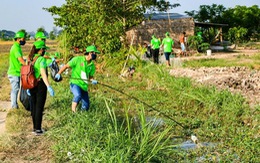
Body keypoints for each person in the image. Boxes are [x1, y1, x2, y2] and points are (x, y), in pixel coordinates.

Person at [54, 45, 99, 112]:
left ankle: (82, 116)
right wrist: (59, 73)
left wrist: (92, 80)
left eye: (96, 53)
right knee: (78, 95)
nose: (95, 55)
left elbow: (90, 76)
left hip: (84, 85)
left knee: (86, 105)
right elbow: (66, 66)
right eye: (94, 53)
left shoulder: (92, 65)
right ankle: (73, 112)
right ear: (89, 53)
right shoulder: (78, 59)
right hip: (75, 83)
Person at [27, 40, 55, 135]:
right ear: (41, 50)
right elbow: (43, 73)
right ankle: (38, 129)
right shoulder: (41, 59)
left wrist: (27, 87)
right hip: (40, 85)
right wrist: (48, 86)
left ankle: (35, 128)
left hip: (31, 84)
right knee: (39, 107)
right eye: (44, 50)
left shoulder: (30, 58)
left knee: (34, 106)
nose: (44, 51)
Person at [7, 31, 27, 109]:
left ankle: (14, 105)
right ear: (19, 39)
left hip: (16, 72)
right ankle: (14, 106)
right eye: (23, 39)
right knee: (15, 89)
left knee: (16, 89)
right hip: (14, 72)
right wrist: (28, 65)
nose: (24, 40)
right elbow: (20, 60)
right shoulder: (15, 48)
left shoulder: (17, 47)